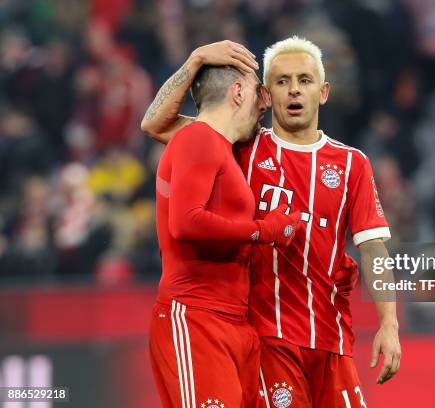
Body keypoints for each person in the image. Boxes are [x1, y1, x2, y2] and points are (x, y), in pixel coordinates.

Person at [142, 38, 401, 407]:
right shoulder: (238, 146)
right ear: (265, 93)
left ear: (323, 92)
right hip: (268, 340)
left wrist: (388, 324)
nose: (294, 89)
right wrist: (195, 60)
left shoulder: (352, 163)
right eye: (282, 81)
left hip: (333, 338)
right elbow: (155, 123)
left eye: (305, 80)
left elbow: (374, 248)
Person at [148, 41, 301, 408]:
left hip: (234, 321)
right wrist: (196, 58)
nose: (264, 102)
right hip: (196, 314)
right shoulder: (198, 137)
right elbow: (185, 223)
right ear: (237, 92)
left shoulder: (222, 146)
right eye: (256, 92)